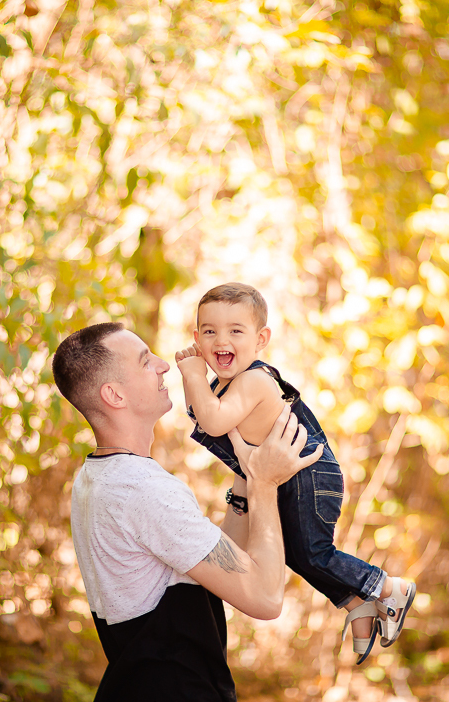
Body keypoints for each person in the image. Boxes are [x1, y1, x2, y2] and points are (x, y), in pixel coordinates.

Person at [52, 321, 322, 702]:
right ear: (114, 395)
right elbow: (264, 596)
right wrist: (265, 485)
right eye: (144, 361)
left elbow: (218, 574)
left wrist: (245, 476)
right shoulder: (140, 489)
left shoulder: (99, 479)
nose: (163, 364)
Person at [175, 282, 416, 665]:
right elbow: (199, 411)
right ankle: (356, 604)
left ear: (261, 339)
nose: (221, 339)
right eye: (209, 331)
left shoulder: (254, 380)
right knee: (294, 554)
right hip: (286, 477)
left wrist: (189, 372)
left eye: (236, 331)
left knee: (314, 552)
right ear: (197, 338)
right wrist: (196, 378)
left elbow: (213, 420)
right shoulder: (222, 384)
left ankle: (388, 586)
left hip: (309, 475)